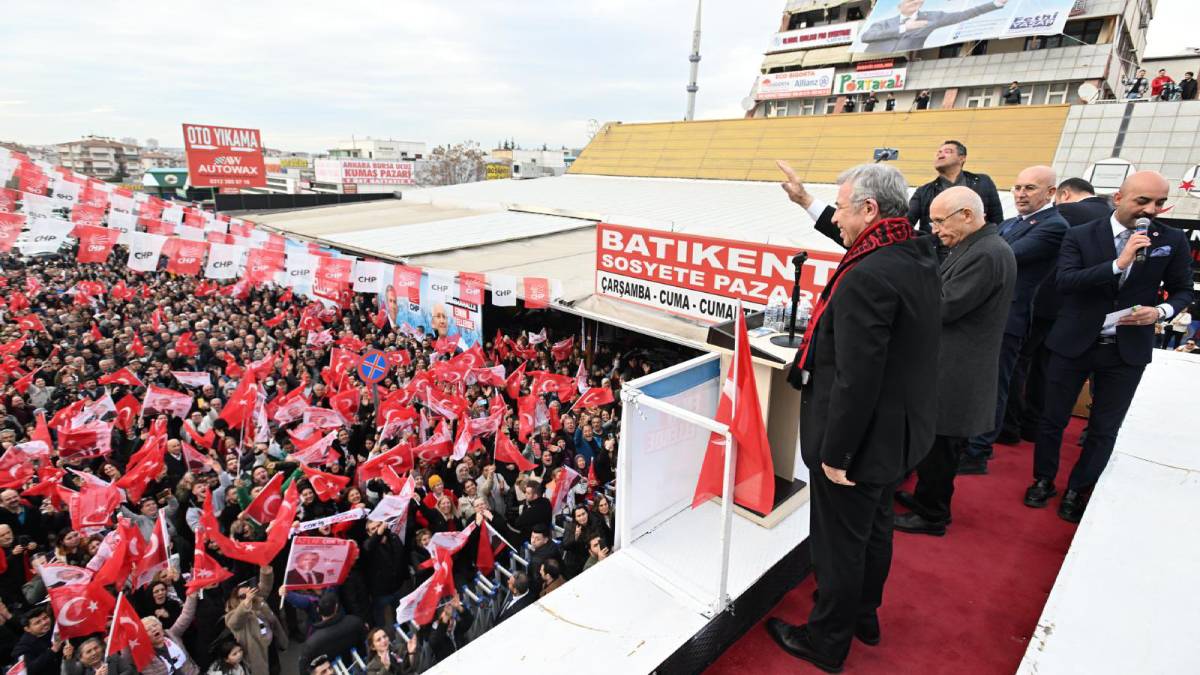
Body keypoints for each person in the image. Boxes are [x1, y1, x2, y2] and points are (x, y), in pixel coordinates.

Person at [768, 163, 941, 672]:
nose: (837, 219)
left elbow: (856, 378)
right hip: (898, 434)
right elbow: (854, 239)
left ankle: (825, 642)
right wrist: (806, 201)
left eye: (841, 208)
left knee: (839, 542)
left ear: (869, 210)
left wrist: (837, 454)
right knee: (875, 528)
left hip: (858, 443)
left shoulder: (867, 276)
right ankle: (864, 616)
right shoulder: (910, 251)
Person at [1027, 171, 1194, 522]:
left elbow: (1182, 289)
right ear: (1118, 198)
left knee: (1104, 427)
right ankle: (1043, 479)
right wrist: (1118, 264)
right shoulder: (1080, 235)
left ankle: (1078, 489)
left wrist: (1160, 312)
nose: (1151, 209)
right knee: (1052, 418)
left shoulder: (1172, 240)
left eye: (1159, 202)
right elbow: (1066, 282)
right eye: (1142, 201)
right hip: (1073, 342)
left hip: (1127, 349)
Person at [893, 187, 1016, 536]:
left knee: (942, 448)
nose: (934, 229)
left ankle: (932, 515)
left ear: (966, 214)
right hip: (952, 366)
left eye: (939, 220)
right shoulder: (977, 247)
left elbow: (944, 306)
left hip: (957, 371)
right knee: (935, 446)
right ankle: (926, 500)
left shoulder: (987, 254)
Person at [959, 166, 1068, 475]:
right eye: (1018, 187)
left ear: (1050, 193)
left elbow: (1000, 255)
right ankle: (969, 441)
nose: (1020, 193)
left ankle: (979, 450)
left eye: (1030, 188)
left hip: (1010, 316)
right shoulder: (1008, 223)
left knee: (994, 384)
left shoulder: (1054, 225)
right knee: (978, 382)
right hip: (985, 314)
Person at [1002, 178, 1112, 442]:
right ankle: (1035, 426)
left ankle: (1011, 426)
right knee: (1051, 368)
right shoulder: (1111, 218)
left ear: (1061, 194)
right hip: (1079, 309)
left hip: (1040, 301)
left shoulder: (1059, 215)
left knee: (1018, 366)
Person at [907, 141, 1004, 233]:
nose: (940, 154)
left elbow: (997, 221)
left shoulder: (983, 182)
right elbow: (906, 223)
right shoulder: (923, 192)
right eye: (938, 152)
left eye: (947, 151)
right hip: (936, 247)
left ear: (962, 158)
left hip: (977, 245)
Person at [859, 0, 1008, 53]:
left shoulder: (933, 17)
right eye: (909, 1)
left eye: (917, 1)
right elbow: (867, 37)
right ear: (899, 5)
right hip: (875, 61)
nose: (914, 3)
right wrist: (905, 28)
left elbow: (964, 14)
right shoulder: (883, 23)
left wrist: (995, 4)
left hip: (908, 63)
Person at [298, 594, 367, 675]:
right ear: (336, 607)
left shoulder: (312, 642)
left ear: (318, 610)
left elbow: (304, 668)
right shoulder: (355, 621)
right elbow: (363, 644)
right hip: (352, 664)